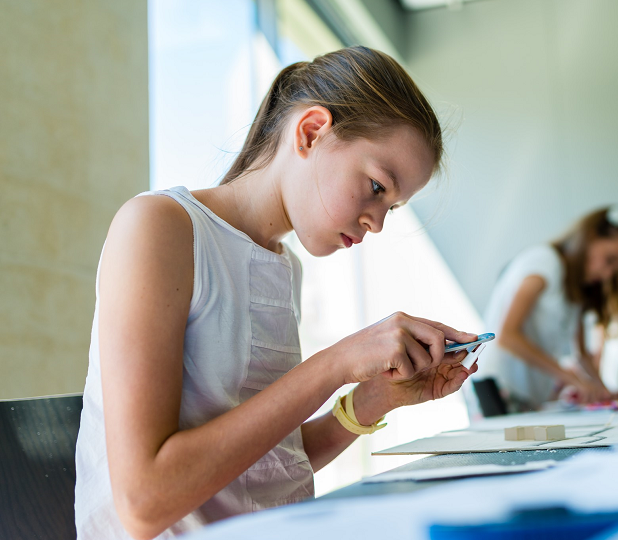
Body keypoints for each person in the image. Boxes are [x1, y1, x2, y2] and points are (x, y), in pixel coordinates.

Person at [74, 47, 481, 540]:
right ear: (311, 132)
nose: (376, 223)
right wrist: (336, 362)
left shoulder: (287, 269)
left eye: (392, 208)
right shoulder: (160, 227)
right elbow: (144, 504)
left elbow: (263, 472)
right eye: (376, 186)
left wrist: (373, 400)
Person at [476, 206, 618, 412]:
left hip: (529, 397)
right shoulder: (544, 261)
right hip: (498, 390)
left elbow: (581, 354)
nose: (608, 274)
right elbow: (507, 335)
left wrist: (603, 390)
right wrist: (572, 378)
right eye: (610, 260)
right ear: (590, 237)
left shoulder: (575, 286)